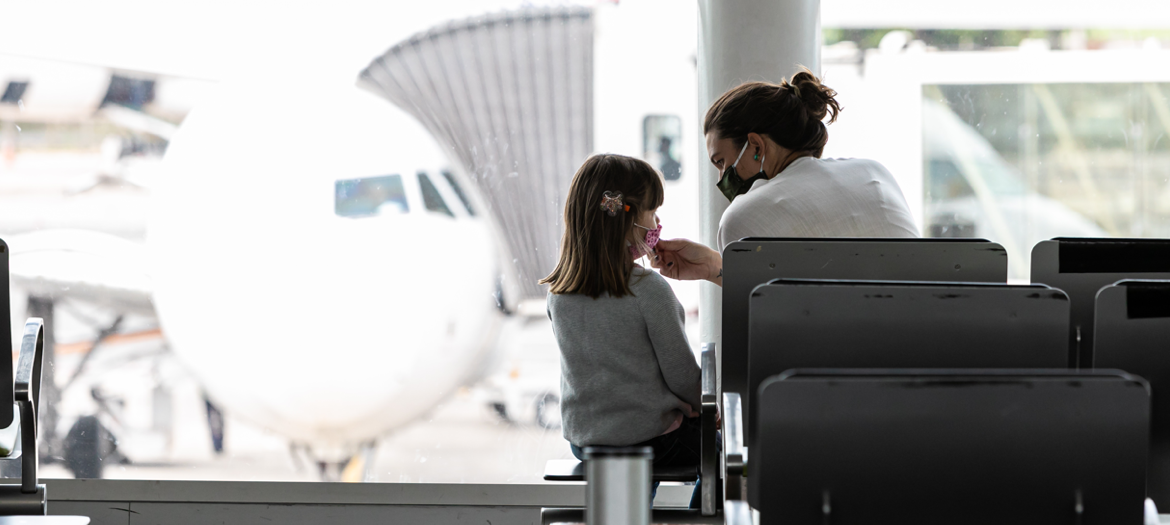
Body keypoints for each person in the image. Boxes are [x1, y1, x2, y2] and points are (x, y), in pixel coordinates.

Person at [540, 154, 714, 507]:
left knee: (628, 501)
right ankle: (701, 515)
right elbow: (680, 375)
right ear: (629, 218)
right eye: (653, 214)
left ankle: (628, 512)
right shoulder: (647, 289)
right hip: (648, 440)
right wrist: (703, 406)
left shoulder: (558, 293)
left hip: (586, 441)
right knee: (726, 453)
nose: (658, 223)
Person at [652, 69, 919, 282]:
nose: (722, 177)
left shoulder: (742, 217)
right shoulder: (874, 172)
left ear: (756, 146)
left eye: (721, 162)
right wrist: (713, 267)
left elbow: (771, 314)